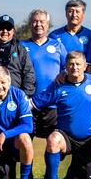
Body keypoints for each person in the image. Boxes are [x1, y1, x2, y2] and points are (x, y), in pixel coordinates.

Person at [31, 51, 91, 179]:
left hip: (89, 139)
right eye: (71, 64)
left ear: (85, 66)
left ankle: (71, 176)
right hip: (66, 136)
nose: (74, 67)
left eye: (78, 64)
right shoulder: (58, 85)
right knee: (53, 139)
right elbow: (34, 103)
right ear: (65, 66)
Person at [22, 9, 66, 140]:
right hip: (28, 103)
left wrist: (64, 73)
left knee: (54, 143)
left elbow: (68, 67)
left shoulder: (57, 46)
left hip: (52, 104)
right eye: (35, 21)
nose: (38, 24)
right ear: (30, 24)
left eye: (42, 21)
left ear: (47, 24)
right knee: (24, 142)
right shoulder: (21, 46)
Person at [0, 14, 35, 95]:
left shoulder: (20, 49)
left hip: (15, 96)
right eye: (1, 28)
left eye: (8, 28)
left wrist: (24, 95)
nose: (5, 31)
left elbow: (29, 74)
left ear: (13, 31)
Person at [49, 0, 91, 65]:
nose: (74, 15)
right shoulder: (54, 35)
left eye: (77, 12)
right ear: (66, 13)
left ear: (83, 14)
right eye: (70, 11)